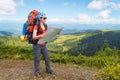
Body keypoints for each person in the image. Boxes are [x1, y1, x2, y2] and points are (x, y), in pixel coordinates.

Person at [32, 12, 54, 77]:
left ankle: (48, 70)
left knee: (47, 57)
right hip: (37, 45)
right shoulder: (36, 26)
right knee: (37, 59)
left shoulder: (45, 25)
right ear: (40, 18)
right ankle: (36, 72)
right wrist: (41, 36)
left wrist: (55, 33)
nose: (45, 19)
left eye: (45, 17)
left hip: (43, 44)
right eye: (44, 18)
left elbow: (47, 34)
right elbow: (33, 37)